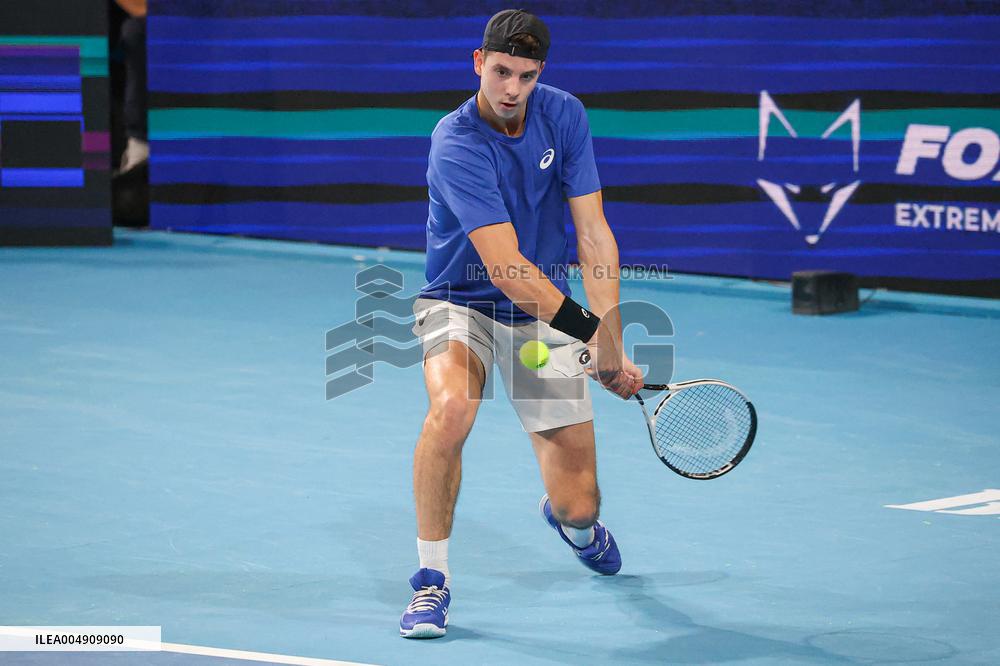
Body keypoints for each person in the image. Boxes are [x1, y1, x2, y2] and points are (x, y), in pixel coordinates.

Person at [400, 10, 644, 639]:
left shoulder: (564, 115)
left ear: (542, 74)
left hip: (542, 315)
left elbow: (593, 234)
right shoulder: (454, 141)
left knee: (580, 505)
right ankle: (431, 581)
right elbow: (507, 269)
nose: (512, 88)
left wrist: (610, 332)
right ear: (477, 62)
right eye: (502, 71)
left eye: (527, 75)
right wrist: (592, 334)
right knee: (452, 408)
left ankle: (571, 524)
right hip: (458, 301)